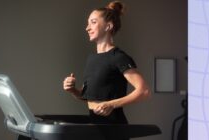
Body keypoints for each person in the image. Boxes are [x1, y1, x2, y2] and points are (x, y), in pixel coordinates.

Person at [63, 0, 150, 131]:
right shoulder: (92, 59)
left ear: (108, 26)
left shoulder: (119, 57)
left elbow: (144, 91)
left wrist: (111, 105)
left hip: (114, 129)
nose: (87, 28)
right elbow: (90, 98)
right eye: (88, 23)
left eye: (93, 22)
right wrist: (73, 90)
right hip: (96, 127)